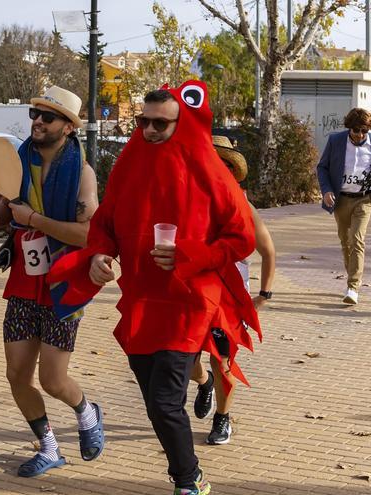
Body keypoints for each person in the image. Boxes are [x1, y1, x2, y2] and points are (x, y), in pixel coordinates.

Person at [48, 83, 261, 495]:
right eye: (142, 121)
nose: (147, 129)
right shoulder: (131, 163)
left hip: (190, 300)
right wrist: (98, 256)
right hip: (142, 299)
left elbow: (242, 238)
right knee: (154, 400)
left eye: (159, 123)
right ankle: (188, 466)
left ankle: (189, 480)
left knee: (164, 401)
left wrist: (190, 255)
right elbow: (104, 225)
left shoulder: (211, 171)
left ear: (182, 124)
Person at [0, 86, 104, 478]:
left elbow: (87, 234)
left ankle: (86, 411)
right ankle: (48, 446)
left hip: (65, 280)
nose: (38, 122)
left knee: (53, 379)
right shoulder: (18, 162)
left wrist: (33, 220)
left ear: (67, 127)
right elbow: (1, 211)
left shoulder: (81, 172)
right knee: (17, 374)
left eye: (48, 117)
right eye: (35, 114)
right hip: (24, 280)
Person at [189, 135, 276, 446]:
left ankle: (222, 418)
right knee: (183, 359)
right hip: (191, 292)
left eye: (221, 163)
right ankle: (204, 382)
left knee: (222, 360)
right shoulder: (185, 202)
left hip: (227, 299)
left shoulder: (242, 206)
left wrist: (264, 294)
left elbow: (268, 251)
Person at [316, 108, 371, 305]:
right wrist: (326, 190)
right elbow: (322, 167)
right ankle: (352, 275)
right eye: (356, 130)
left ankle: (353, 286)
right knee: (345, 241)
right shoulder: (336, 141)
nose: (360, 135)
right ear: (349, 128)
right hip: (341, 199)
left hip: (364, 199)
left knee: (357, 239)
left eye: (364, 131)